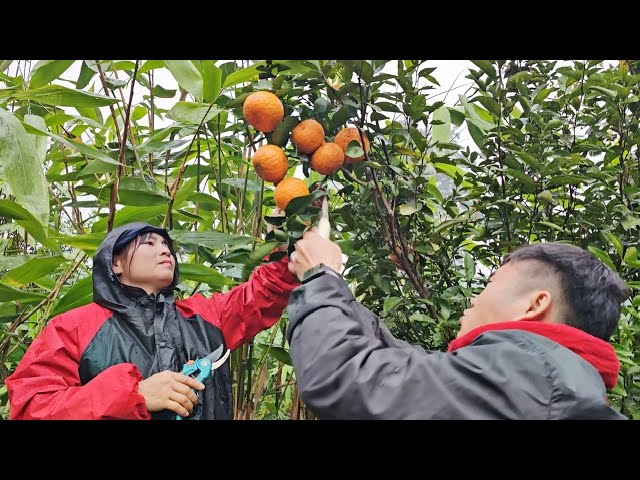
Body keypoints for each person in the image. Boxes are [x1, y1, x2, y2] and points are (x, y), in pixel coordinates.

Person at [285, 230, 630, 419]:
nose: (474, 300)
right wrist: (338, 294)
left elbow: (343, 376)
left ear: (534, 304)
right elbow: (404, 369)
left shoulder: (527, 381)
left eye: (489, 285)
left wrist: (319, 277)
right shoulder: (550, 384)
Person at [6, 221, 298, 420]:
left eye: (167, 245)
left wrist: (287, 241)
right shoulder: (73, 327)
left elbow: (264, 294)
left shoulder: (205, 315)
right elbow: (32, 407)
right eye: (148, 243)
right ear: (115, 263)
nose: (164, 250)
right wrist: (133, 395)